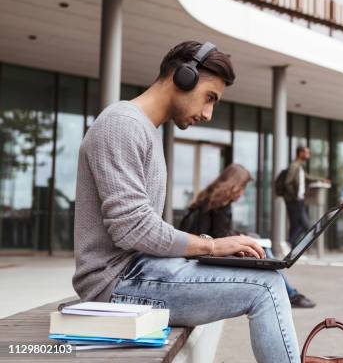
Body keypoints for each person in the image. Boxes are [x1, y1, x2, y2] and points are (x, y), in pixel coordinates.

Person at [72, 41, 300, 362]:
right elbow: (131, 229)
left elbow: (143, 228)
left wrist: (212, 247)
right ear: (183, 77)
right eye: (210, 98)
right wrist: (213, 247)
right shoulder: (121, 125)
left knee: (265, 273)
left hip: (139, 271)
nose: (208, 113)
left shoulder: (147, 130)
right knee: (265, 287)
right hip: (115, 284)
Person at [180, 163, 316, 308]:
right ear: (234, 185)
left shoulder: (210, 198)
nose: (242, 192)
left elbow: (219, 232)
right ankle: (292, 295)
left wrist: (241, 235)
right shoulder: (220, 203)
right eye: (242, 187)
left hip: (202, 252)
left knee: (261, 248)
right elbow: (220, 237)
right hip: (207, 256)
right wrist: (243, 239)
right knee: (263, 253)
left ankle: (291, 295)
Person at [283, 146, 329, 247]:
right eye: (307, 153)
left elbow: (308, 177)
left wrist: (321, 179)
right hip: (294, 200)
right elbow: (287, 183)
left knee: (297, 225)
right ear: (300, 153)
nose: (309, 155)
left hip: (298, 200)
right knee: (302, 225)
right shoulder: (294, 166)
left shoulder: (299, 167)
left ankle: (291, 248)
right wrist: (295, 196)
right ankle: (289, 243)